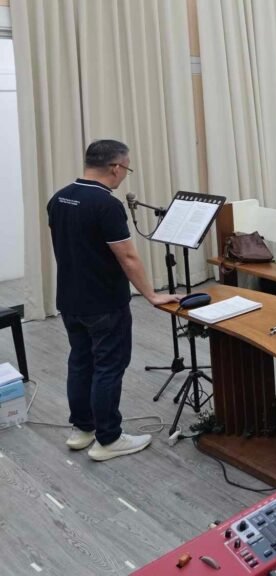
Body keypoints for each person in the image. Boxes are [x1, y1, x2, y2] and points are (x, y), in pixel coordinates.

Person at [47, 139, 180, 462]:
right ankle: (109, 438)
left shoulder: (59, 198)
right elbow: (128, 257)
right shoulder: (105, 204)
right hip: (104, 302)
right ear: (115, 167)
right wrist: (151, 294)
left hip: (69, 298)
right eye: (126, 168)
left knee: (80, 361)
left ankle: (83, 429)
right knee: (108, 366)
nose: (124, 176)